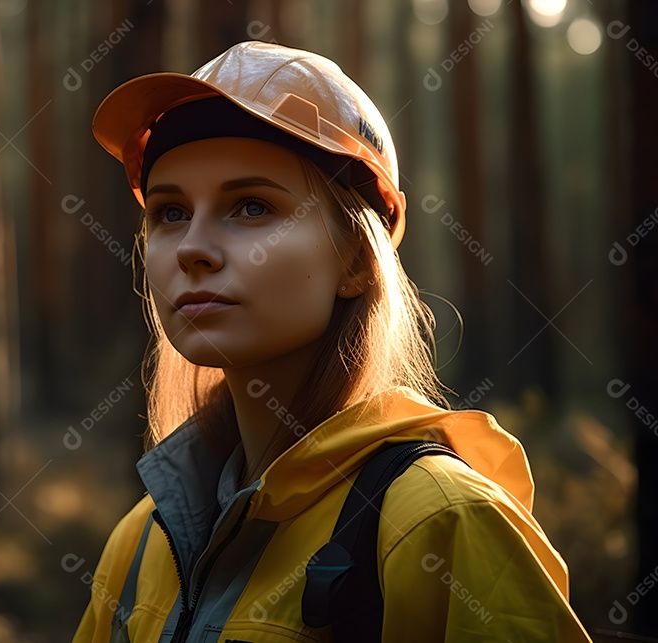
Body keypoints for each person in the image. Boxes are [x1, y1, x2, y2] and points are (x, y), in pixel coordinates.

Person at [74, 41, 592, 642]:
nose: (192, 247)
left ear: (356, 260)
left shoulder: (437, 520)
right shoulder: (141, 544)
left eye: (250, 206)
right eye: (170, 212)